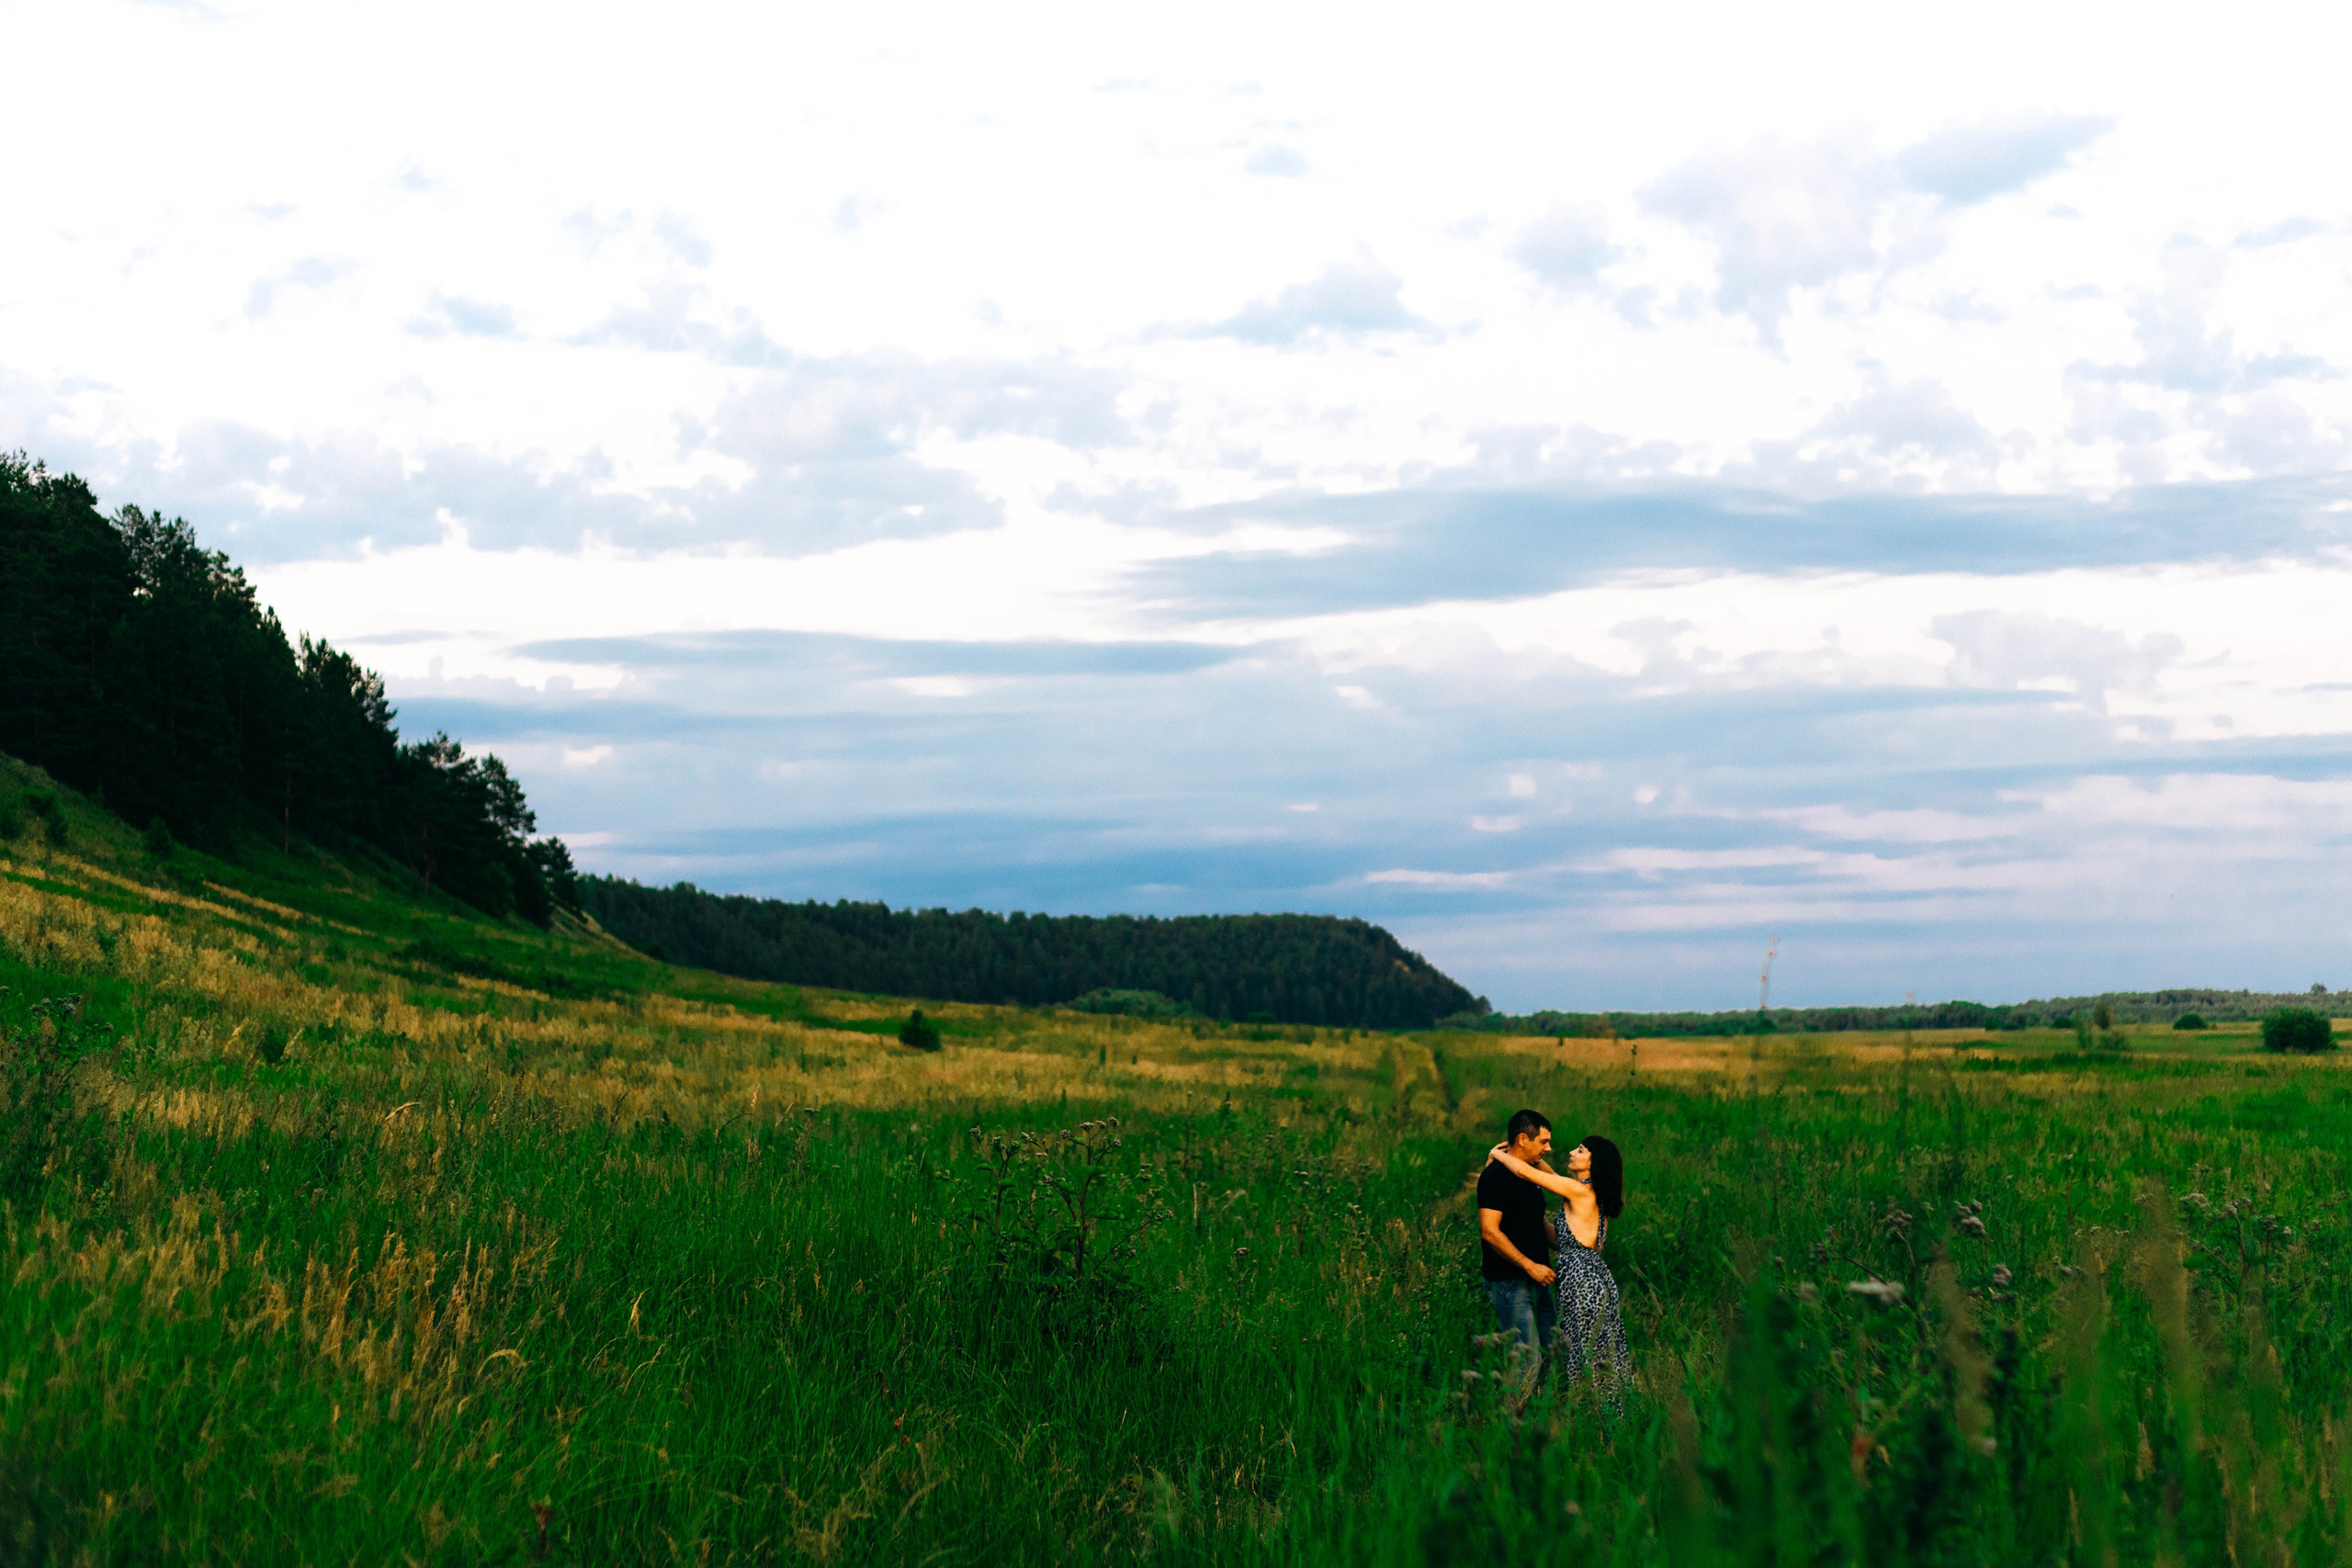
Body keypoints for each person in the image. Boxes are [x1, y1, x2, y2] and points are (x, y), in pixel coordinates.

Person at [1486, 1132, 1630, 1420]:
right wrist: (1532, 1214)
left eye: (1580, 1150)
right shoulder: (1586, 1193)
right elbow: (1560, 1239)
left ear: (1594, 1163)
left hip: (1583, 1286)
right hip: (1591, 1282)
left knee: (1584, 1353)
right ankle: (1601, 1419)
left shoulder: (1580, 1192)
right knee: (1591, 1351)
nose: (1572, 1153)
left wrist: (1499, 1154)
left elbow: (1526, 1172)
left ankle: (1597, 1420)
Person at [1476, 1109, 1558, 1391]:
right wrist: (1529, 1265)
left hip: (1538, 1280)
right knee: (1528, 1361)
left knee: (1551, 1354)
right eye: (1543, 1142)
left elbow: (1538, 1222)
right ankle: (1511, 1428)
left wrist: (1571, 1244)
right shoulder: (1495, 1176)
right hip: (1511, 1282)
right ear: (1523, 1139)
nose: (1549, 1148)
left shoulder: (1531, 1175)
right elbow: (1489, 1230)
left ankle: (1536, 1422)